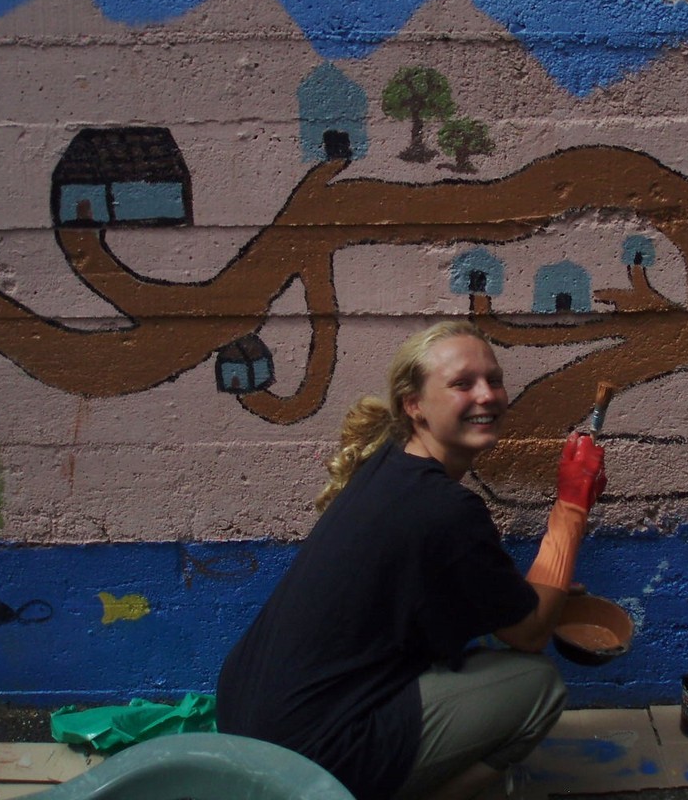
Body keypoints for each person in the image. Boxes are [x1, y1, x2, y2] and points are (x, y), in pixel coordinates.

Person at [216, 319, 608, 800]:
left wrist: (530, 598)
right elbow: (528, 635)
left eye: (495, 379)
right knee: (539, 687)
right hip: (308, 764)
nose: (487, 395)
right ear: (414, 404)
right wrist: (571, 506)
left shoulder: (389, 463)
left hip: (245, 722)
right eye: (462, 384)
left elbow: (452, 588)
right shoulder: (445, 507)